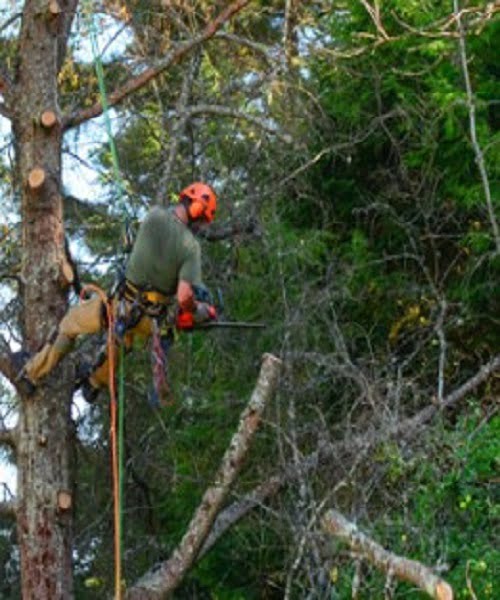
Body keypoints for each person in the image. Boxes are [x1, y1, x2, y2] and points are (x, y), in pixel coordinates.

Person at [19, 182, 218, 401]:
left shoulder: (154, 217)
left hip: (121, 305)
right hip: (149, 321)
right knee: (122, 344)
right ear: (198, 211)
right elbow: (184, 297)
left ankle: (31, 375)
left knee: (70, 325)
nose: (200, 227)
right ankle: (94, 383)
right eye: (202, 221)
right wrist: (199, 310)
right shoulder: (191, 248)